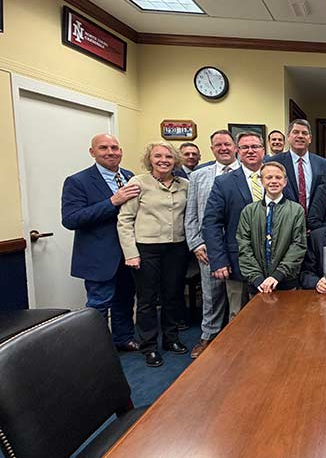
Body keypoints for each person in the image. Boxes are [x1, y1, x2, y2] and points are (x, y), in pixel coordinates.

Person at [61, 133, 140, 352]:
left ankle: (123, 338)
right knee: (98, 305)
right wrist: (112, 202)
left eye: (115, 147)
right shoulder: (78, 181)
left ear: (121, 151)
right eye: (103, 148)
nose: (110, 152)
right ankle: (98, 350)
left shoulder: (129, 176)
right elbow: (71, 219)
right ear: (92, 152)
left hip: (128, 254)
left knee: (125, 300)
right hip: (99, 257)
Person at [117, 142, 189, 367]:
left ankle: (171, 338)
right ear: (150, 160)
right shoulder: (138, 183)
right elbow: (125, 220)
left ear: (175, 161)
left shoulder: (184, 184)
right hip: (146, 249)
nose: (163, 160)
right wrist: (131, 253)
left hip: (176, 247)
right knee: (147, 299)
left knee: (173, 295)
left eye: (168, 157)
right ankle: (149, 346)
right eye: (158, 156)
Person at [184, 129, 240, 359]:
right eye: (218, 145)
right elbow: (191, 215)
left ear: (234, 147)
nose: (223, 148)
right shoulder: (199, 176)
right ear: (212, 149)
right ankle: (209, 334)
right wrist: (196, 244)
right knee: (211, 294)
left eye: (227, 144)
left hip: (239, 247)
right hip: (208, 247)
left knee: (240, 296)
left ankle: (238, 336)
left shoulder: (250, 174)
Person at [203, 131, 266, 316]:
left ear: (263, 150)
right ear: (237, 151)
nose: (250, 151)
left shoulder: (275, 177)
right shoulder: (224, 182)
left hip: (272, 261)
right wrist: (218, 260)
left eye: (255, 147)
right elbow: (211, 223)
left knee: (271, 315)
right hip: (236, 261)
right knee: (238, 314)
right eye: (245, 147)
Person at [237, 161, 307, 293]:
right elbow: (244, 246)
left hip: (286, 282)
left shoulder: (296, 210)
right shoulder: (249, 211)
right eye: (269, 177)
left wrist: (278, 274)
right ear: (261, 181)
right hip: (258, 284)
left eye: (278, 177)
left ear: (285, 181)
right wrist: (256, 277)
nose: (274, 181)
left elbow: (298, 245)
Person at [268, 119, 326, 214]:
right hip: (284, 220)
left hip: (315, 222)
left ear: (310, 138)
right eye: (296, 132)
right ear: (288, 137)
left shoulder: (322, 163)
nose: (300, 136)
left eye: (304, 133)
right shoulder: (274, 162)